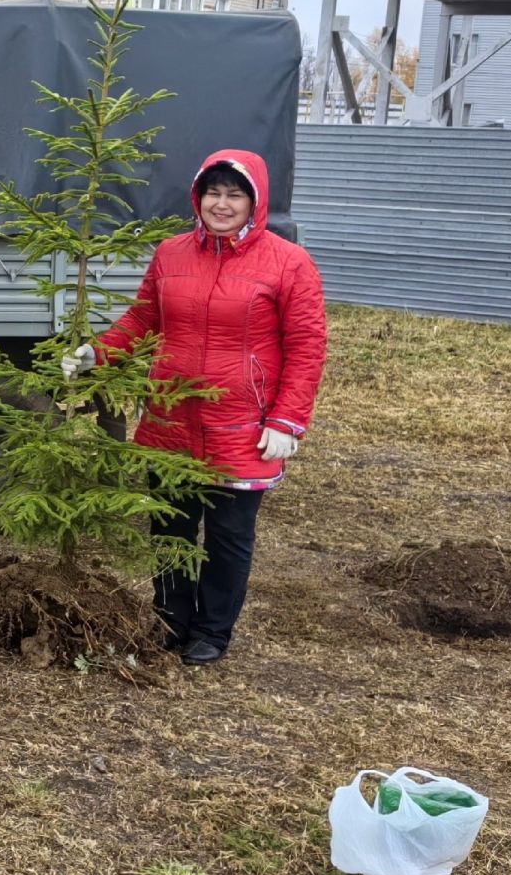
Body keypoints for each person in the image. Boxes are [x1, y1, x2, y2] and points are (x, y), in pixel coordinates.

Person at [64, 149, 327, 666]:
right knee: (171, 527)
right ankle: (171, 621)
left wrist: (287, 420)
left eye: (235, 194)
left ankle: (212, 632)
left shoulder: (288, 262)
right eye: (213, 192)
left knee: (228, 537)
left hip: (243, 426)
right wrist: (98, 351)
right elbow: (143, 320)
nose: (222, 204)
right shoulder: (171, 254)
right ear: (198, 197)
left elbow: (306, 346)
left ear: (255, 202)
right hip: (171, 421)